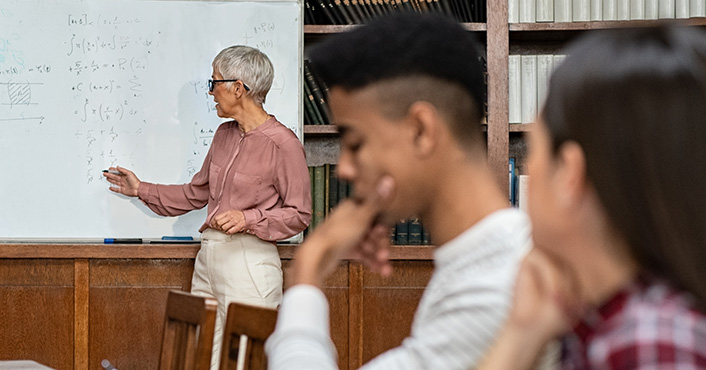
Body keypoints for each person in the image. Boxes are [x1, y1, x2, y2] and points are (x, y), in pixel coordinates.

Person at [266, 13, 554, 370]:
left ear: (421, 130)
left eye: (355, 143)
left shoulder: (496, 289)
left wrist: (308, 267)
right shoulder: (486, 260)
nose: (344, 169)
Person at [476, 25, 706, 369]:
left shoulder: (652, 344)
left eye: (533, 149)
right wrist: (521, 334)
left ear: (569, 173)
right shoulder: (607, 321)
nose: (530, 164)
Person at [104, 45, 311, 368]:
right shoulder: (224, 135)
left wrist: (249, 218)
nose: (211, 91)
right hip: (209, 258)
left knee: (243, 361)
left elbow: (300, 214)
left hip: (250, 263)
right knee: (198, 358)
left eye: (215, 82)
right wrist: (140, 189)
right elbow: (196, 193)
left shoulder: (283, 144)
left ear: (238, 88)